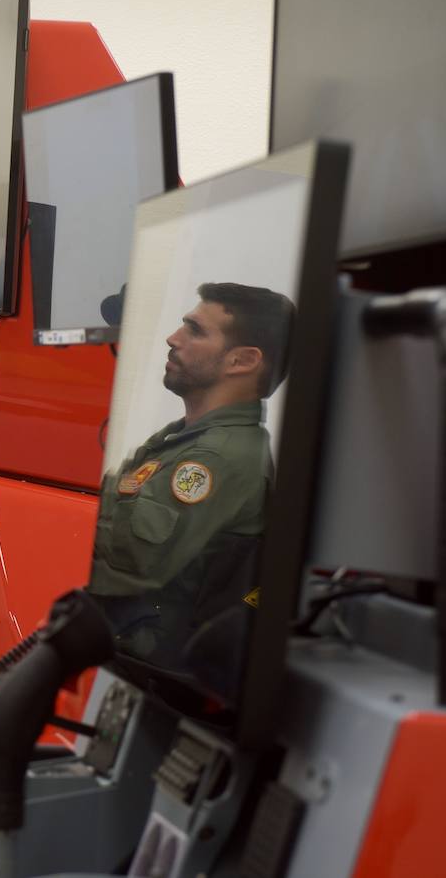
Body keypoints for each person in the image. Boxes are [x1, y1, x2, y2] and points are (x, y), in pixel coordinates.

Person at [87, 282, 296, 676]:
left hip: (139, 665)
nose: (172, 338)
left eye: (195, 330)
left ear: (242, 361)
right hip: (118, 651)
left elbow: (126, 572)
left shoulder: (220, 458)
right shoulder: (178, 439)